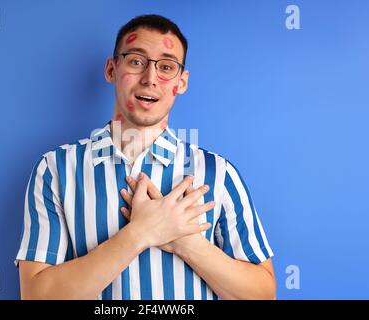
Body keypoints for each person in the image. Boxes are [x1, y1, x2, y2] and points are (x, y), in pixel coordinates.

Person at [15, 14, 276, 300]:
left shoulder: (218, 173)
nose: (150, 79)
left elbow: (263, 295)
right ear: (111, 69)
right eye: (136, 61)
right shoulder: (56, 169)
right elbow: (37, 296)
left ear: (182, 81)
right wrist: (140, 233)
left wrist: (184, 241)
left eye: (166, 67)